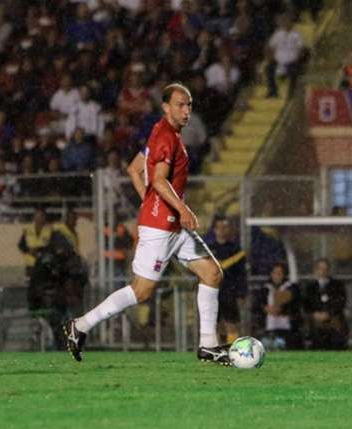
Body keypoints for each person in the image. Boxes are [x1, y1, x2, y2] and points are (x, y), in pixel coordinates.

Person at [64, 83, 231, 365]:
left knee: (212, 274)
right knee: (141, 291)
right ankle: (80, 326)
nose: (186, 110)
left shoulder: (160, 132)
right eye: (180, 104)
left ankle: (208, 346)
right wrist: (180, 207)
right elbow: (158, 179)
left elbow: (134, 169)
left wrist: (150, 202)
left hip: (171, 224)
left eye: (189, 104)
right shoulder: (166, 137)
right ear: (165, 107)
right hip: (161, 228)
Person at [206, 215, 247, 344]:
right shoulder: (208, 249)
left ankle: (232, 351)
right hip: (212, 292)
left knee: (231, 323)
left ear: (229, 229)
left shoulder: (236, 250)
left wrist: (241, 293)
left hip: (230, 291)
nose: (222, 230)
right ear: (214, 229)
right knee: (214, 325)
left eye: (225, 227)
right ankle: (216, 352)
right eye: (219, 227)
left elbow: (241, 274)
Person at [252, 262, 305, 350]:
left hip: (287, 329)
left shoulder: (291, 288)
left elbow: (296, 305)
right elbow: (256, 306)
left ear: (284, 275)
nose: (277, 276)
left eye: (280, 274)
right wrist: (265, 308)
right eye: (275, 273)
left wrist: (282, 309)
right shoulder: (265, 289)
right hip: (268, 328)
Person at [303, 258, 349, 350]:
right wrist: (315, 314)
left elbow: (340, 302)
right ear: (316, 270)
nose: (323, 272)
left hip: (333, 324)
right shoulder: (310, 287)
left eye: (325, 269)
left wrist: (329, 313)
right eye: (320, 269)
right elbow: (306, 304)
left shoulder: (338, 285)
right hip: (316, 324)